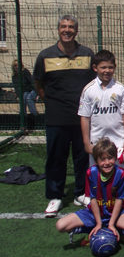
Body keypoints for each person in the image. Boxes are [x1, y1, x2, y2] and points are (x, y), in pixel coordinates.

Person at [33, 15, 95, 217]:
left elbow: (94, 84)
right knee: (55, 158)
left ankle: (80, 193)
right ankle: (55, 195)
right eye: (63, 27)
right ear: (58, 29)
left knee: (83, 157)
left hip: (82, 118)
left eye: (70, 27)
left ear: (76, 31)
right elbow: (39, 84)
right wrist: (52, 103)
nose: (66, 30)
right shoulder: (45, 55)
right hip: (56, 117)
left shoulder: (87, 54)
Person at [55, 138, 124, 246]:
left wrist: (111, 224)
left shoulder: (120, 173)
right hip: (94, 213)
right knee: (61, 226)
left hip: (116, 214)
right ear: (96, 160)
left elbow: (119, 200)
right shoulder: (91, 172)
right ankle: (91, 229)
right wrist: (98, 223)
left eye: (110, 158)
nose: (107, 162)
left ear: (115, 158)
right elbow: (92, 199)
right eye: (102, 159)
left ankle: (120, 230)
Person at [78, 50, 124, 180]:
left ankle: (121, 200)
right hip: (97, 142)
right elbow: (84, 117)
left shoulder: (120, 89)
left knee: (123, 176)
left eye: (110, 67)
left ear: (115, 67)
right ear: (95, 68)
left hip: (119, 142)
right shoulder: (88, 90)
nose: (106, 70)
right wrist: (87, 143)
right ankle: (101, 200)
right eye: (103, 67)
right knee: (98, 177)